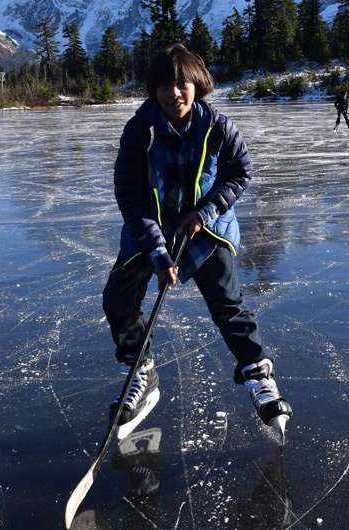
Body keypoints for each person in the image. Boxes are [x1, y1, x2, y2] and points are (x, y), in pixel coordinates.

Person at [102, 43, 292, 438]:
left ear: (197, 85)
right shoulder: (140, 131)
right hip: (151, 226)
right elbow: (130, 193)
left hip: (205, 227)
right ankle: (141, 371)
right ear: (153, 91)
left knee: (227, 303)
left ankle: (257, 373)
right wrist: (156, 248)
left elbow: (240, 171)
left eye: (182, 83)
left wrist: (205, 212)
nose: (175, 92)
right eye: (165, 85)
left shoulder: (219, 126)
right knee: (119, 298)